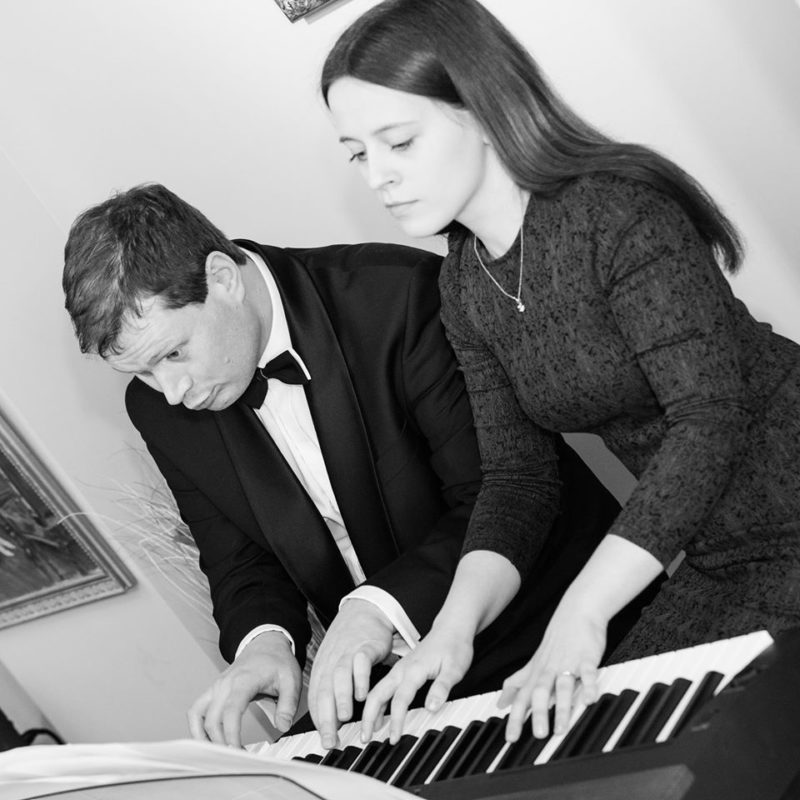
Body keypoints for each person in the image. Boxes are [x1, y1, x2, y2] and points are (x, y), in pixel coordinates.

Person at [320, 0, 800, 747]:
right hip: (712, 549)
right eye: (357, 154)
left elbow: (707, 421)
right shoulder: (464, 284)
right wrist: (451, 631)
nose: (378, 177)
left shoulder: (617, 211)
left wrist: (583, 610)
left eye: (399, 142)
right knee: (603, 746)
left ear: (481, 109)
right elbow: (519, 480)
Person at [61, 183, 638, 750]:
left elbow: (501, 492)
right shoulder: (159, 409)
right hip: (395, 687)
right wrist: (265, 642)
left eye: (173, 353)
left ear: (223, 278)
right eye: (143, 372)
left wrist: (376, 609)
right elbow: (238, 560)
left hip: (556, 623)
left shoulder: (398, 296)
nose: (172, 392)